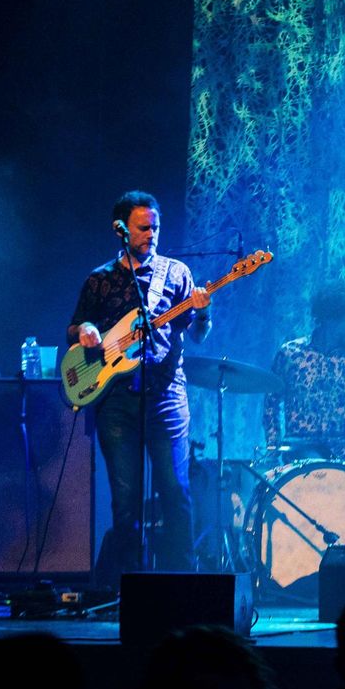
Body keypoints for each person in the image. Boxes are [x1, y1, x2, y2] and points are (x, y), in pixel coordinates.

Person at [68, 190, 211, 578]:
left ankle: (183, 583)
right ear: (121, 230)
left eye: (156, 227)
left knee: (175, 494)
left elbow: (196, 335)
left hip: (165, 397)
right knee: (125, 502)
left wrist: (201, 313)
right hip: (116, 401)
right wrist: (85, 330)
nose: (152, 234)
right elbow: (76, 326)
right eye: (143, 227)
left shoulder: (177, 273)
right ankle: (123, 590)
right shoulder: (99, 280)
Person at [266, 280, 345, 458]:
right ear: (329, 319)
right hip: (302, 449)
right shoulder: (290, 354)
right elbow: (271, 403)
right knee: (314, 462)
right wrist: (273, 448)